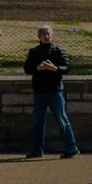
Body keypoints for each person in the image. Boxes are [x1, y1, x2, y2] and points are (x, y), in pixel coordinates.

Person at [24, 24, 79, 159]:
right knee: (38, 122)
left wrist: (55, 68)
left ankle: (71, 149)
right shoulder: (34, 52)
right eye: (44, 34)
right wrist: (38, 67)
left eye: (48, 33)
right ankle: (37, 150)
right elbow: (27, 68)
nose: (46, 36)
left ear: (52, 35)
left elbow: (67, 67)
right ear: (39, 36)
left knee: (62, 120)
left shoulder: (59, 50)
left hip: (55, 91)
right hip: (39, 92)